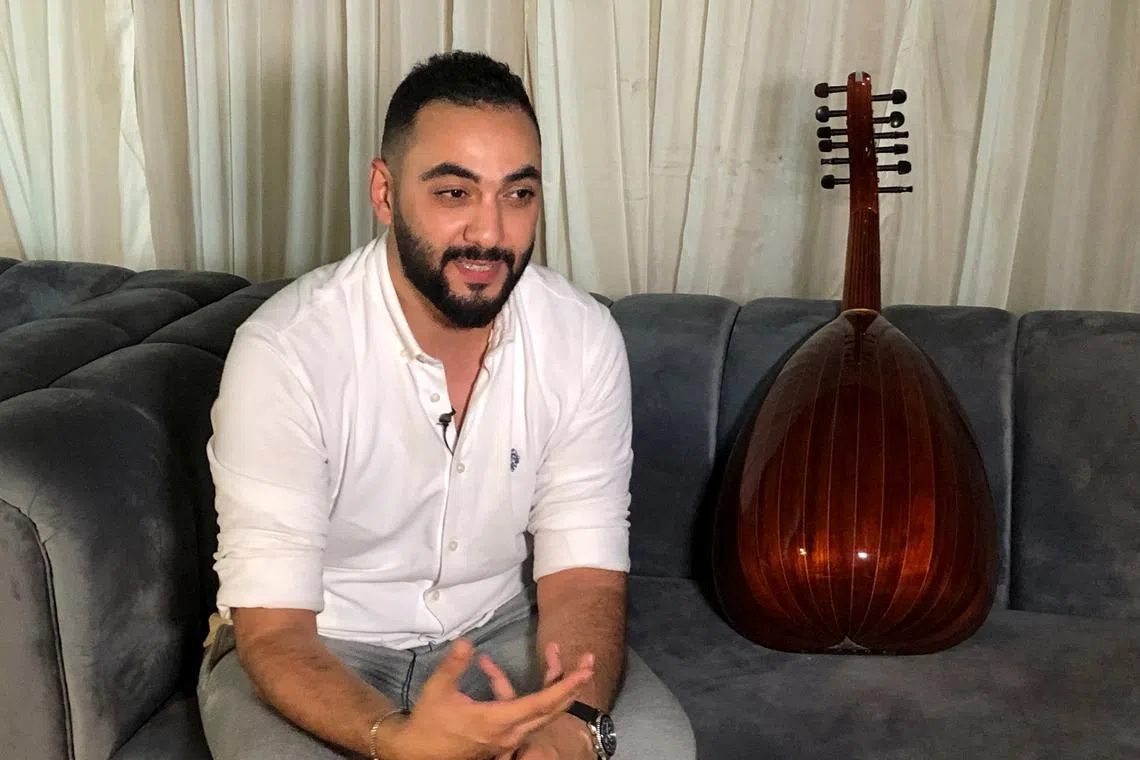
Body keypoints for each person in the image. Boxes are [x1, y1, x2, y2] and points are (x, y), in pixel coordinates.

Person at [196, 50, 697, 760]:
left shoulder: (582, 338)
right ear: (384, 190)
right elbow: (275, 631)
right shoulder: (285, 352)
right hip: (323, 646)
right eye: (454, 193)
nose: (490, 234)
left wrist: (569, 726)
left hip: (499, 633)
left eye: (518, 194)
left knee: (657, 749)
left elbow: (582, 572)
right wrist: (392, 738)